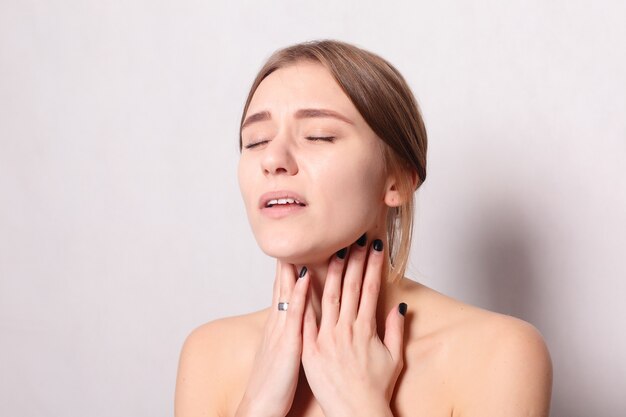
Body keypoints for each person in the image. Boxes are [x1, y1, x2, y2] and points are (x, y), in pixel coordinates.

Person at [175, 40, 553, 417]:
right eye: (255, 141)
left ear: (397, 181)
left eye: (319, 135)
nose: (272, 159)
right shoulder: (209, 355)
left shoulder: (498, 353)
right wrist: (257, 407)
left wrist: (361, 408)